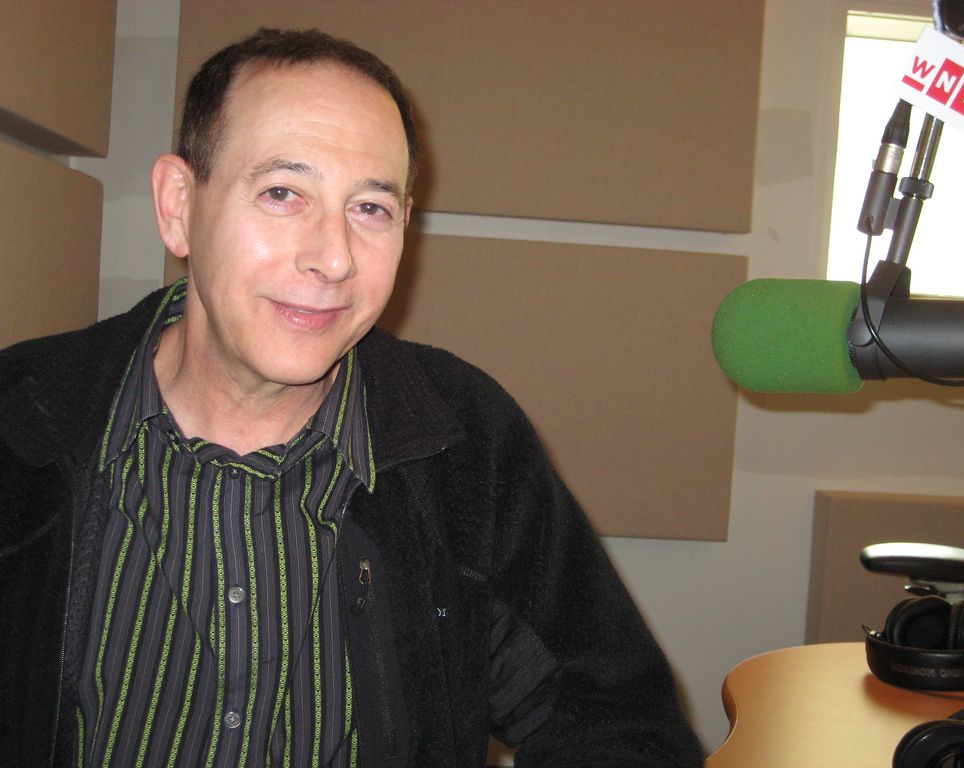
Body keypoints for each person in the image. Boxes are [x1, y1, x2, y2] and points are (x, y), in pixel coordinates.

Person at [0, 28, 703, 767]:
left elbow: (616, 722)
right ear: (178, 205)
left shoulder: (467, 442)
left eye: (370, 208)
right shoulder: (19, 422)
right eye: (282, 193)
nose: (333, 258)